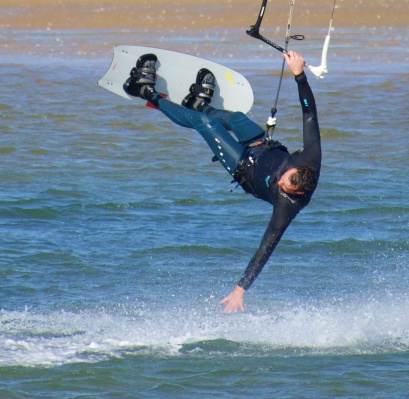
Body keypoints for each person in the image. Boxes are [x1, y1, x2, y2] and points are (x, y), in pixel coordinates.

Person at [126, 49, 321, 312]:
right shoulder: (311, 157)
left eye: (283, 188)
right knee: (236, 118)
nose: (279, 185)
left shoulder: (287, 208)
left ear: (295, 193)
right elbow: (309, 115)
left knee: (206, 124)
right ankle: (197, 103)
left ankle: (145, 92)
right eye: (283, 180)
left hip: (243, 166)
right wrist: (299, 76)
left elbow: (265, 249)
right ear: (295, 169)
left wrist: (240, 289)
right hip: (262, 146)